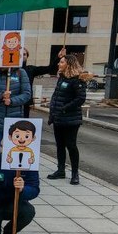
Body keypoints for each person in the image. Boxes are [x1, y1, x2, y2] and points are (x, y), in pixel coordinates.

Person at [46, 53, 89, 185]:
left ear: (69, 64)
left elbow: (80, 98)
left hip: (71, 119)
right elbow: (56, 96)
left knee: (71, 145)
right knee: (60, 145)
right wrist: (53, 113)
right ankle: (60, 170)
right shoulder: (62, 78)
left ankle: (75, 173)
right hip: (59, 118)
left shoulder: (77, 79)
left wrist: (65, 108)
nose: (59, 64)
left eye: (62, 62)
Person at [0, 61, 32, 154]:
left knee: (11, 151)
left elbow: (27, 94)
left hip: (14, 121)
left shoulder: (21, 73)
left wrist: (12, 101)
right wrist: (0, 96)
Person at [21, 47, 64, 117]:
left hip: (25, 103)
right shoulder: (9, 70)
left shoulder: (31, 69)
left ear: (27, 57)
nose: (22, 56)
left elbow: (50, 68)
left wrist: (58, 58)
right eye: (20, 54)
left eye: (24, 54)